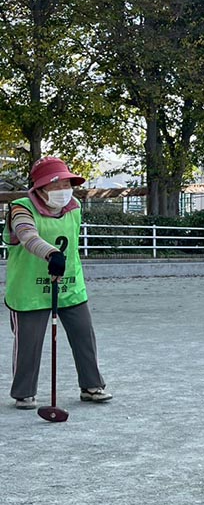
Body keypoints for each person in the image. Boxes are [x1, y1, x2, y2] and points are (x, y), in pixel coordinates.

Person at [3, 157, 112, 409]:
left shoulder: (73, 206)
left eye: (67, 183)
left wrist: (62, 261)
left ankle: (91, 385)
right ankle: (24, 392)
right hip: (29, 289)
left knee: (84, 335)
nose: (64, 189)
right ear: (40, 188)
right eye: (56, 184)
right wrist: (51, 253)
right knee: (28, 343)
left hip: (70, 284)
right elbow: (27, 235)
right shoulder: (20, 208)